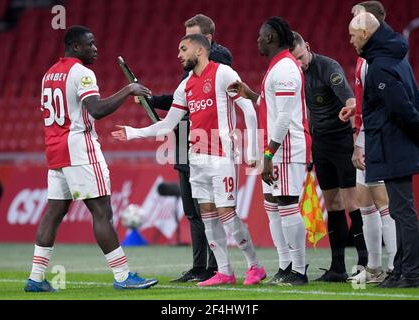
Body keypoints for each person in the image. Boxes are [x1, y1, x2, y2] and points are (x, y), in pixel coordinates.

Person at [113, 33, 266, 286]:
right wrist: (132, 133)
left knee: (227, 214)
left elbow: (248, 109)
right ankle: (225, 272)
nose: (179, 55)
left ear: (200, 50)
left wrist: (252, 150)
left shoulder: (224, 73)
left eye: (183, 49)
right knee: (207, 217)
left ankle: (255, 266)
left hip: (221, 157)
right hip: (196, 160)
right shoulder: (185, 86)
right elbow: (167, 125)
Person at [24, 25, 158, 292]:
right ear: (76, 46)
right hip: (79, 148)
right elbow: (95, 109)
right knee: (102, 213)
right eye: (90, 44)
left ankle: (36, 279)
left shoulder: (49, 74)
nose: (95, 48)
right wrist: (128, 89)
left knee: (54, 212)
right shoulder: (82, 73)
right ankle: (122, 276)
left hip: (54, 149)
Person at [137, 14, 232, 283]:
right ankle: (199, 266)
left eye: (190, 38)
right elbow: (183, 98)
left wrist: (156, 101)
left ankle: (216, 267)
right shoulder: (190, 67)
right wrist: (152, 99)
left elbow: (197, 97)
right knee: (192, 211)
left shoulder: (220, 59)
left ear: (206, 40)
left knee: (210, 209)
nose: (184, 45)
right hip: (184, 139)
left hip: (206, 142)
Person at [348, 12, 419, 288]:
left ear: (364, 34)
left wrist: (418, 133)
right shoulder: (394, 59)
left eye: (352, 34)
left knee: (403, 211)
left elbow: (401, 106)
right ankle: (400, 270)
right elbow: (415, 98)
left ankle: (409, 274)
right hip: (394, 144)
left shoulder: (381, 65)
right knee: (398, 210)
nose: (350, 40)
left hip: (393, 145)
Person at [228, 17, 311, 286]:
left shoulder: (285, 67)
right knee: (272, 207)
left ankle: (299, 271)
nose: (257, 40)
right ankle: (286, 266)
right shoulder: (277, 67)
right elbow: (270, 104)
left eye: (260, 36)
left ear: (271, 37)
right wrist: (249, 93)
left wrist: (267, 155)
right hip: (275, 148)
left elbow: (285, 118)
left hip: (285, 148)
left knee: (286, 205)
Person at [290, 31, 368, 282]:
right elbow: (308, 110)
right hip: (320, 144)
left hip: (341, 142)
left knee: (351, 204)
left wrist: (350, 107)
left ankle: (365, 263)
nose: (299, 64)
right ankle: (337, 268)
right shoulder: (294, 75)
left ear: (308, 47)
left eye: (301, 57)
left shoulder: (328, 67)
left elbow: (348, 96)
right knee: (333, 205)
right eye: (294, 60)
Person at [340, 1, 397, 284]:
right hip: (368, 135)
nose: (351, 24)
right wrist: (354, 109)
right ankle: (375, 267)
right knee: (366, 202)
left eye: (356, 18)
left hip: (376, 138)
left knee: (383, 202)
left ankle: (394, 266)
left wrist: (360, 141)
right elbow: (368, 102)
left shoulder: (377, 58)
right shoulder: (366, 58)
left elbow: (381, 105)